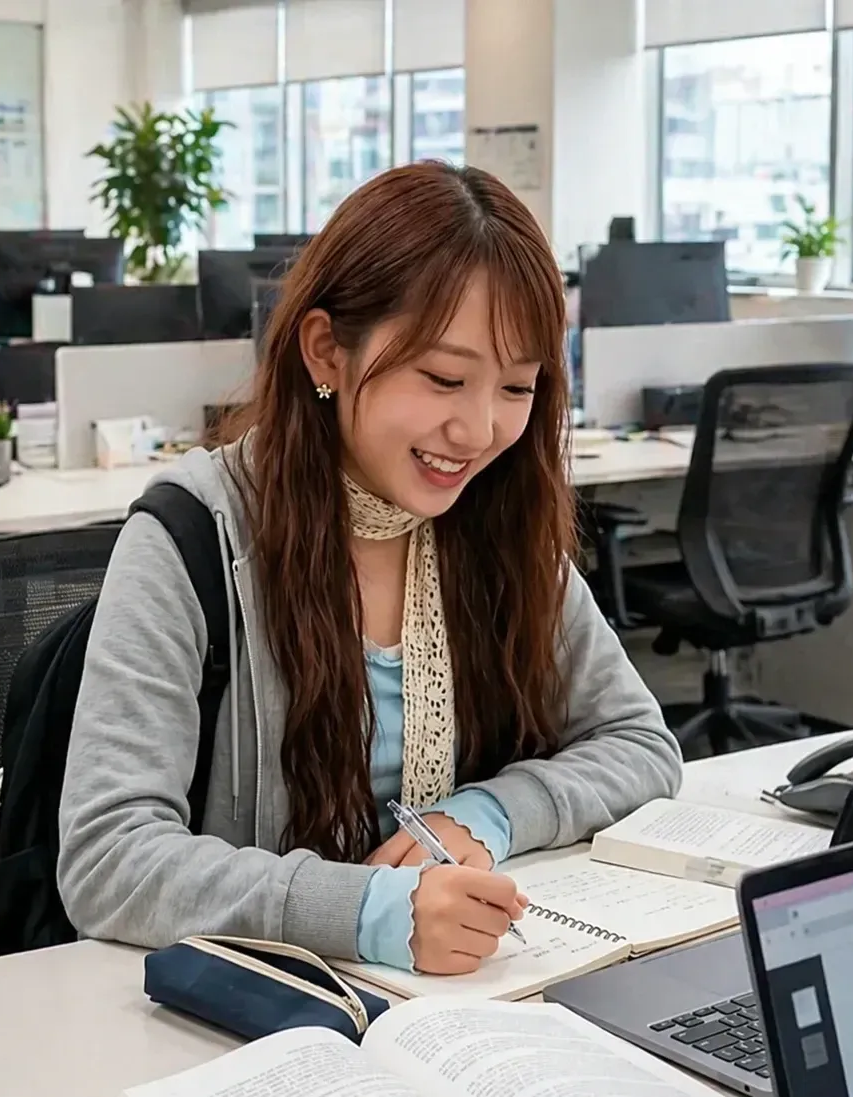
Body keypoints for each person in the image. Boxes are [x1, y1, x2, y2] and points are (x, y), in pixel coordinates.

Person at [58, 161, 682, 976]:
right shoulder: (191, 535)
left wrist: (486, 814)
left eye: (517, 386)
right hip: (255, 1010)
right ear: (326, 351)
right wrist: (368, 910)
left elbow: (639, 743)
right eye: (444, 378)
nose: (479, 429)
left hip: (462, 996)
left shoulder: (496, 519)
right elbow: (109, 858)